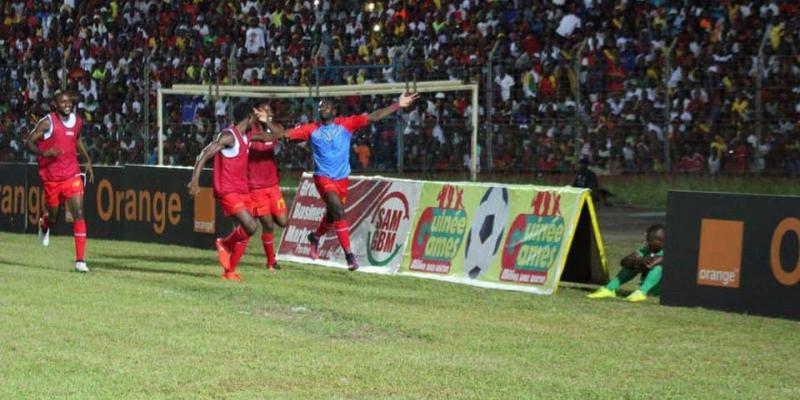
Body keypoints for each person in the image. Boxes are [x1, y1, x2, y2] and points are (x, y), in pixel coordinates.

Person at [265, 93, 419, 271]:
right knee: (338, 210)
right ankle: (349, 256)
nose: (322, 109)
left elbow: (373, 117)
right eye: (320, 107)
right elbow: (285, 135)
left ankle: (315, 237)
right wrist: (265, 129)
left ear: (334, 110)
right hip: (322, 177)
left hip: (342, 179)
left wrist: (396, 105)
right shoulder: (311, 128)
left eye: (326, 106)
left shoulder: (347, 124)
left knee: (332, 215)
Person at [186, 102, 271, 281]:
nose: (255, 119)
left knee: (245, 233)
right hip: (228, 191)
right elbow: (206, 153)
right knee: (251, 226)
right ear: (248, 118)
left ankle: (230, 271)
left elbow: (270, 136)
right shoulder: (228, 136)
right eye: (254, 116)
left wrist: (272, 124)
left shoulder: (248, 135)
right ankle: (223, 243)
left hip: (243, 190)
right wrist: (195, 179)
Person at [25, 90, 94, 272]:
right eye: (63, 102)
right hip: (52, 178)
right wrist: (44, 153)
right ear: (55, 104)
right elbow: (29, 142)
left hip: (72, 173)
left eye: (69, 102)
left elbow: (76, 139)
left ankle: (80, 261)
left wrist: (87, 159)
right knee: (54, 217)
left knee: (78, 213)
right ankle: (44, 224)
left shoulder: (77, 121)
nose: (67, 105)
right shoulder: (47, 122)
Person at [248, 102, 288, 272]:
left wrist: (267, 123)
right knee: (268, 224)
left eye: (270, 111)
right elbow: (261, 138)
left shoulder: (275, 127)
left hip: (273, 185)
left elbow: (282, 134)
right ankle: (271, 262)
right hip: (256, 186)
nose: (268, 113)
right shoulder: (249, 130)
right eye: (264, 111)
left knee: (283, 221)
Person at [587, 224, 665, 302]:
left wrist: (650, 262)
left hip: (662, 290)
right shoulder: (647, 249)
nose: (648, 242)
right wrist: (638, 261)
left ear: (663, 241)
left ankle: (642, 292)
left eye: (651, 240)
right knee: (633, 263)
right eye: (648, 239)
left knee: (658, 267)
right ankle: (609, 289)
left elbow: (658, 261)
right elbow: (624, 262)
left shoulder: (671, 251)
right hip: (651, 289)